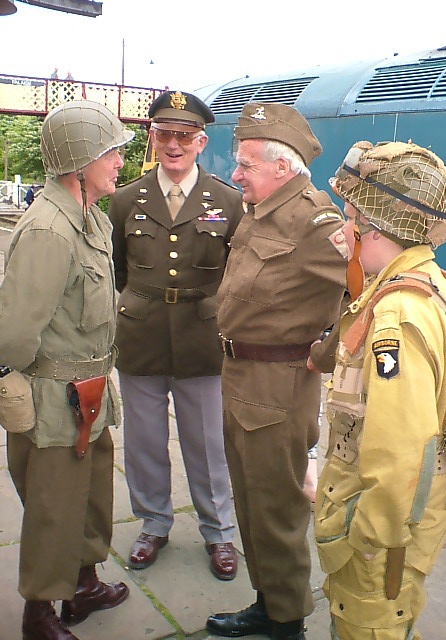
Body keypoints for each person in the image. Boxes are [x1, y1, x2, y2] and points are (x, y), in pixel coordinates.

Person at [206, 102, 348, 640]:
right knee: (251, 500)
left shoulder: (316, 221)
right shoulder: (262, 211)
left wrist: (324, 355)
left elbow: (368, 298)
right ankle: (268, 604)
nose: (235, 173)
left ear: (282, 169)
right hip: (242, 378)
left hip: (278, 387)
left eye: (245, 165)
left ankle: (286, 621)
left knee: (277, 509)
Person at [312, 140, 446, 640]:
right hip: (394, 518)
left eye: (351, 216)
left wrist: (369, 540)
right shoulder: (425, 278)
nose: (345, 227)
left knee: (368, 625)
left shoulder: (397, 313)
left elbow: (401, 449)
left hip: (381, 531)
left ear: (374, 230)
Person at [0, 99, 134, 640]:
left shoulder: (90, 219)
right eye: (112, 152)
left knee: (92, 498)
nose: (121, 161)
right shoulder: (49, 230)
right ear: (81, 162)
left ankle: (83, 585)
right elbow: (13, 334)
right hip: (56, 399)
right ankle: (40, 614)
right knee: (54, 508)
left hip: (91, 392)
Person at [108, 90, 245, 580]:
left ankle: (219, 532)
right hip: (142, 335)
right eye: (165, 134)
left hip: (202, 337)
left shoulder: (228, 202)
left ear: (201, 142)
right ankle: (154, 523)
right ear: (152, 137)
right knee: (143, 441)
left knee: (208, 444)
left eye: (184, 136)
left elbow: (237, 274)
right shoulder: (126, 199)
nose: (173, 145)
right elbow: (118, 270)